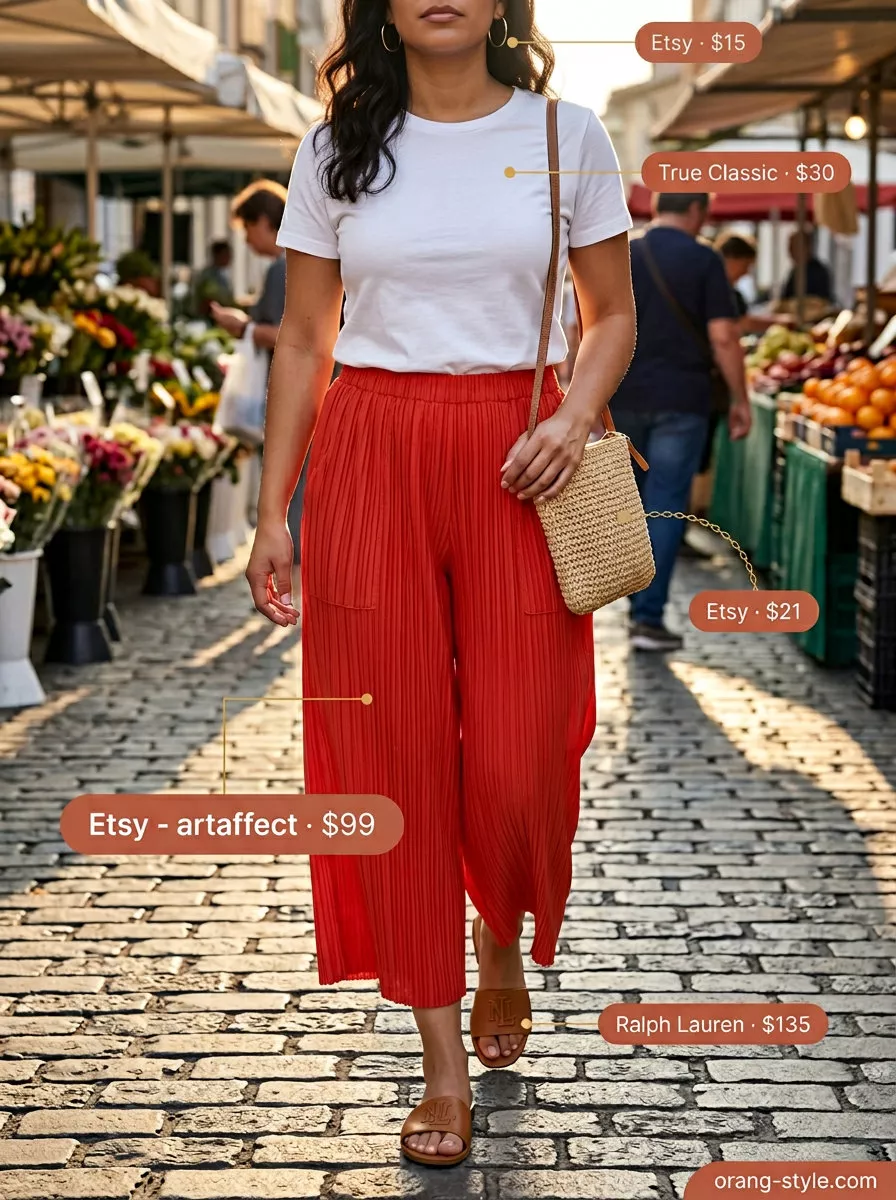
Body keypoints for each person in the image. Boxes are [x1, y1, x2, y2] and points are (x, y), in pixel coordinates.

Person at [245, 0, 635, 1169]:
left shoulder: (570, 136)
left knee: (517, 751)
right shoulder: (333, 146)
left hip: (522, 455)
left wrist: (571, 415)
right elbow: (307, 340)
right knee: (390, 749)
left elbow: (607, 315)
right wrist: (273, 511)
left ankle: (499, 932)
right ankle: (438, 1066)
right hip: (370, 450)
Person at [610, 193, 752, 652]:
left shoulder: (624, 251)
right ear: (697, 211)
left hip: (624, 395)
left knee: (632, 508)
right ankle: (648, 619)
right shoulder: (704, 258)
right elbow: (724, 337)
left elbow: (586, 324)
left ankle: (637, 608)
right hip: (683, 399)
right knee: (666, 504)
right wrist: (740, 398)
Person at [209, 181, 307, 576]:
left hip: (295, 390)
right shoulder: (294, 263)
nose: (247, 240)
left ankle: (295, 553)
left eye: (248, 229)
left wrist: (244, 326)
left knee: (294, 476)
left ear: (265, 222)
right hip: (309, 387)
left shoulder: (285, 267)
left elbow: (293, 336)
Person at [780, 226, 833, 303]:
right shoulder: (794, 271)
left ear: (807, 247)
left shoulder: (818, 272)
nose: (790, 252)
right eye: (790, 248)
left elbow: (820, 301)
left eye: (793, 247)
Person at [192, 239, 234, 318]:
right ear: (217, 255)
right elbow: (209, 301)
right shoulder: (208, 275)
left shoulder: (223, 275)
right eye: (226, 254)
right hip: (209, 319)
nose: (230, 257)